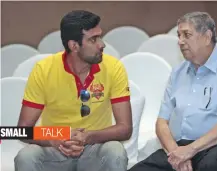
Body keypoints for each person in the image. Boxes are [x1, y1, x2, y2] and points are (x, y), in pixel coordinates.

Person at [129, 11, 217, 171]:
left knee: (210, 166)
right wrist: (177, 154)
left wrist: (191, 150)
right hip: (180, 147)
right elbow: (162, 122)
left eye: (186, 35)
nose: (180, 41)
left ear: (207, 36)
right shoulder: (177, 73)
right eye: (179, 35)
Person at [14, 10, 133, 171]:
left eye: (100, 36)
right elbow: (21, 130)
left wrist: (88, 136)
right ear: (74, 46)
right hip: (55, 151)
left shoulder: (114, 68)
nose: (102, 44)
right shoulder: (43, 70)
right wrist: (56, 138)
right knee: (25, 157)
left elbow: (125, 129)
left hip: (94, 149)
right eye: (93, 39)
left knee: (115, 151)